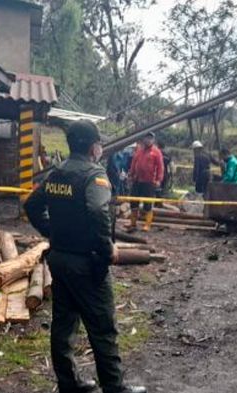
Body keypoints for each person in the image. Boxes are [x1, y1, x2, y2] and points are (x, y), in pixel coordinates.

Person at [24, 120, 146, 393]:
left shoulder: (56, 174)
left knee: (64, 324)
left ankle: (69, 384)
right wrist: (107, 248)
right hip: (88, 263)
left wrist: (52, 232)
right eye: (99, 143)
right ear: (94, 147)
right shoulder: (95, 176)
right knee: (102, 327)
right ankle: (113, 387)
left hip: (60, 259)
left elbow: (31, 205)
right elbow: (96, 211)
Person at [127, 132, 164, 232]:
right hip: (137, 180)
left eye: (150, 138)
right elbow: (134, 163)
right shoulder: (139, 151)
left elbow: (160, 167)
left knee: (147, 203)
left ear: (153, 140)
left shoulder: (156, 152)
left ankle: (147, 224)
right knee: (134, 202)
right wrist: (131, 174)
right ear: (144, 139)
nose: (148, 140)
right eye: (147, 138)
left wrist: (158, 180)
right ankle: (133, 223)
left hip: (149, 182)